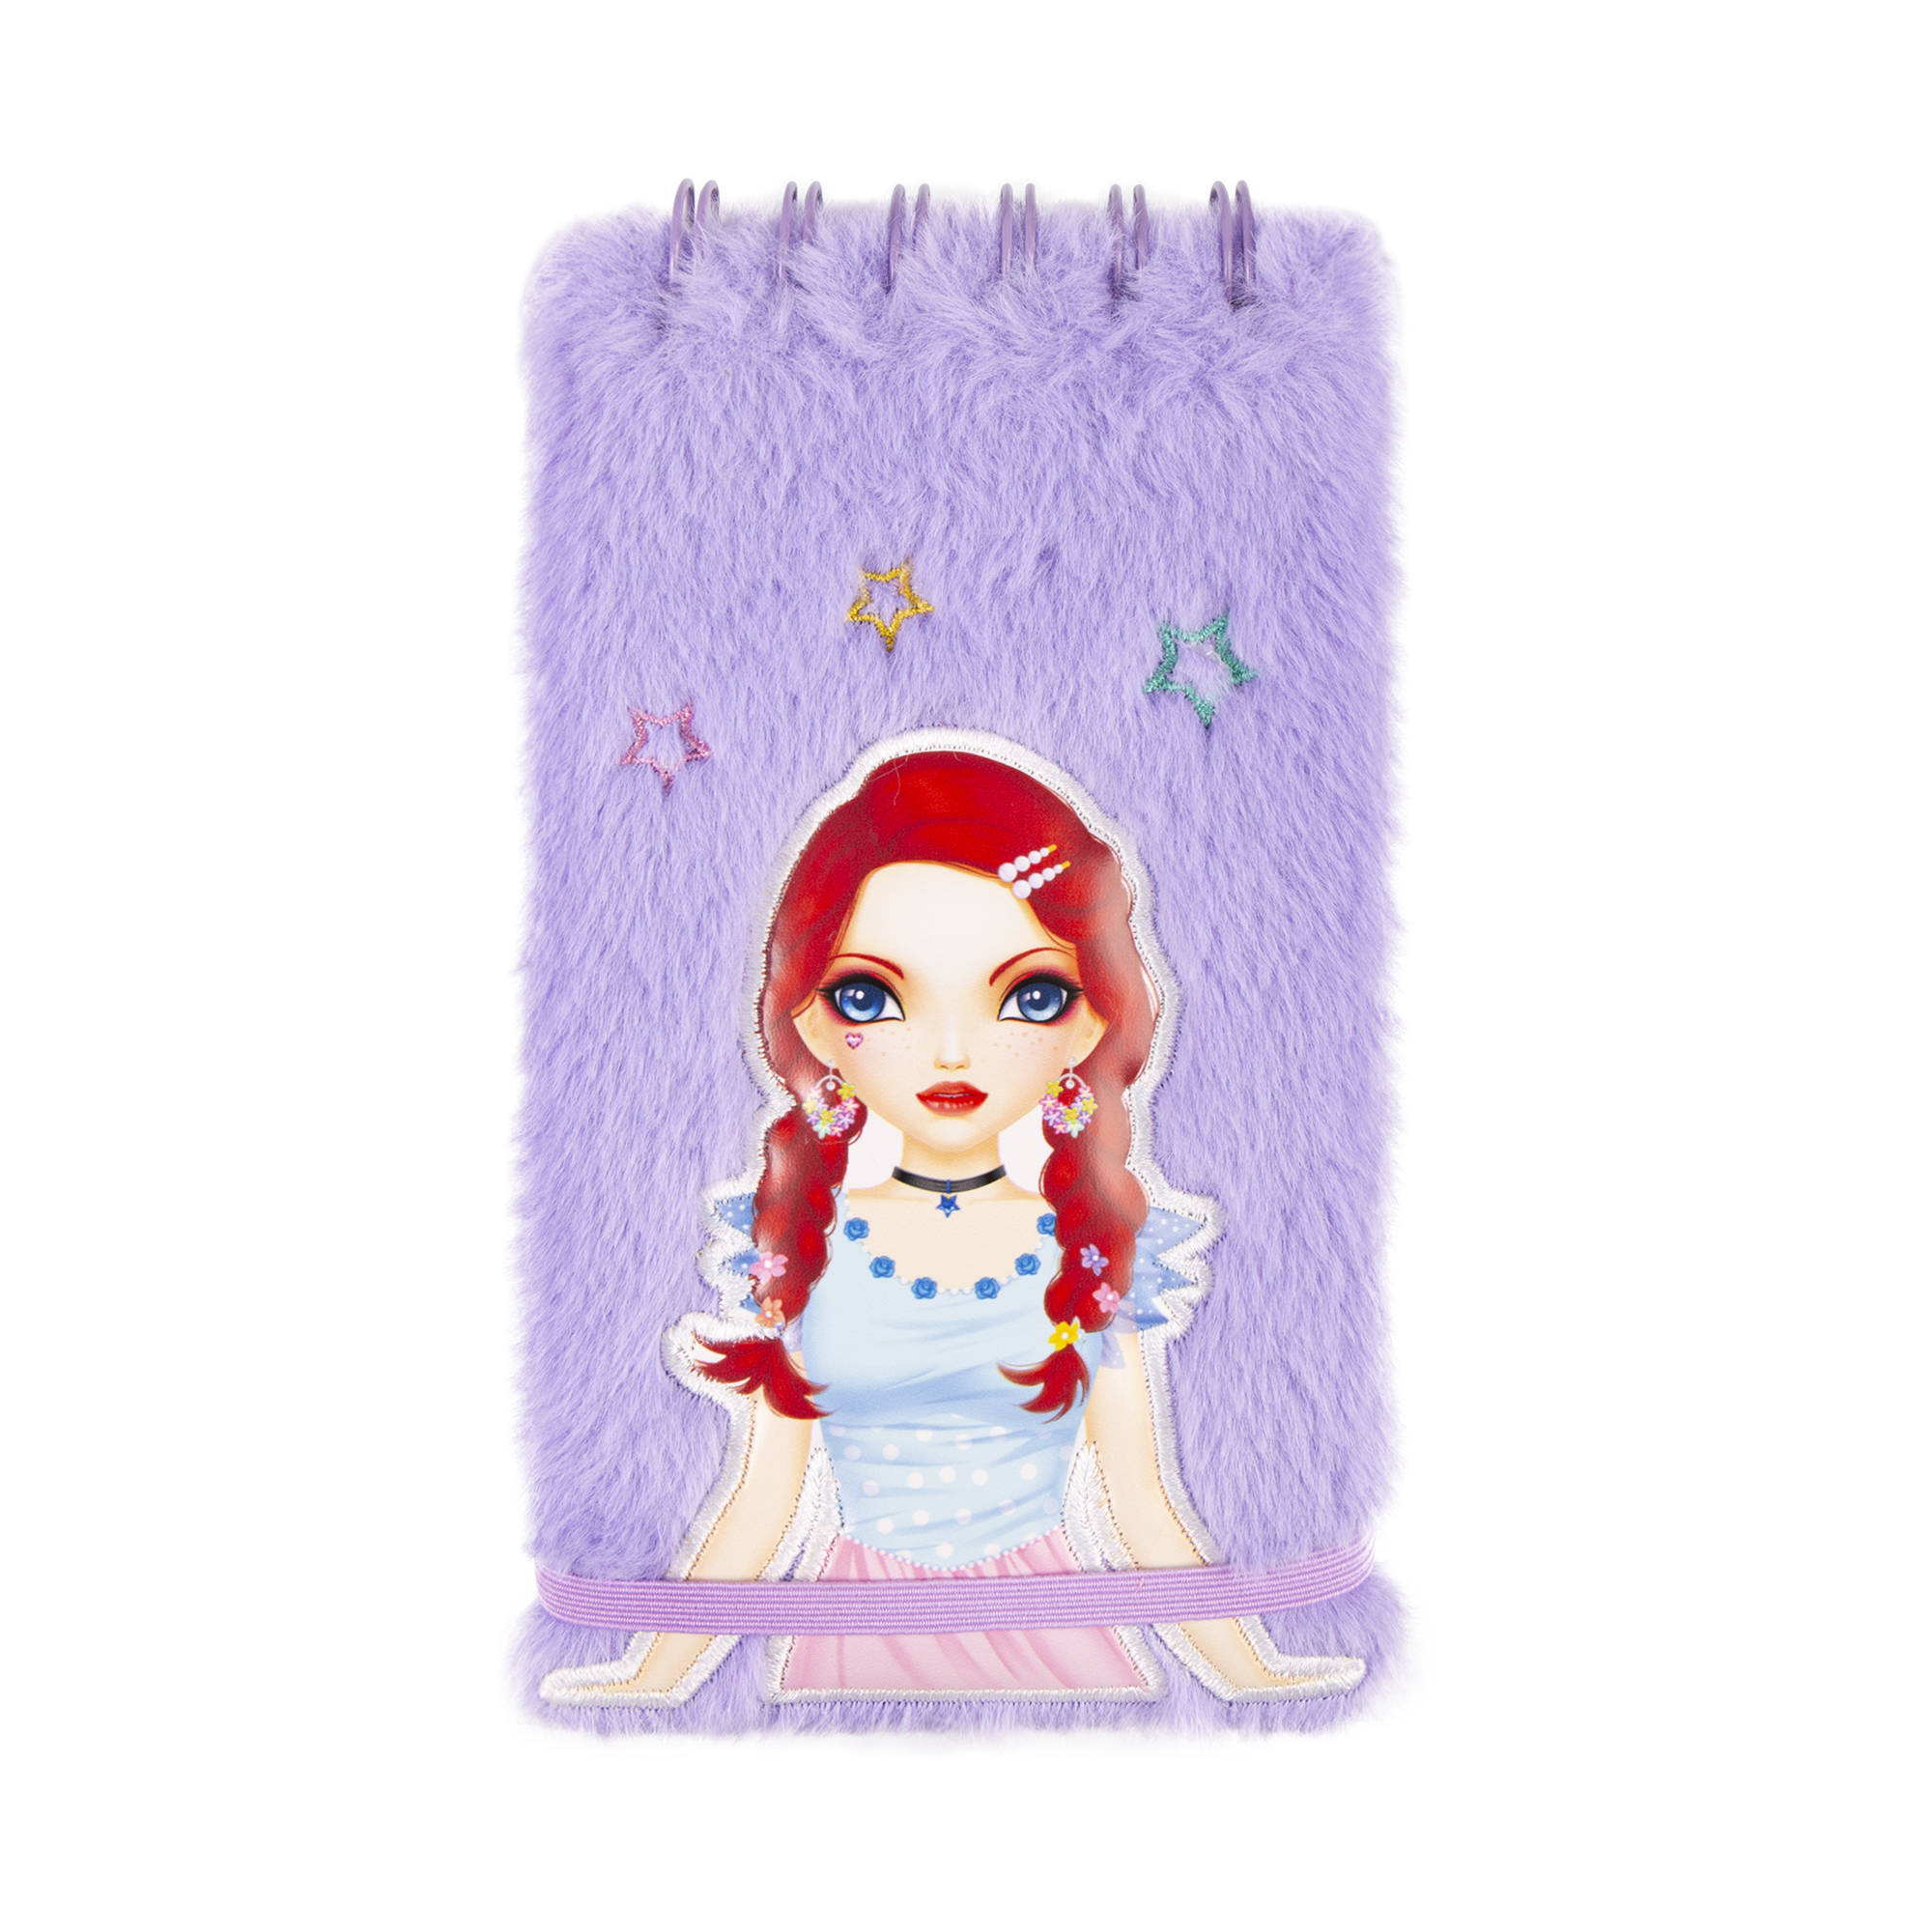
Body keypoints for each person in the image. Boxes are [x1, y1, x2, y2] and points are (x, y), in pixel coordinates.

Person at [542, 745, 1363, 1705]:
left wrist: (1251, 1671)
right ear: (809, 1019)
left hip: (1053, 1648)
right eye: (870, 995)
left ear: (1091, 1020)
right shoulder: (801, 1245)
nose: (948, 1051)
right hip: (846, 1649)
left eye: (1030, 996)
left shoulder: (1091, 1249)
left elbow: (1141, 1504)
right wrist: (652, 1676)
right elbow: (762, 1501)